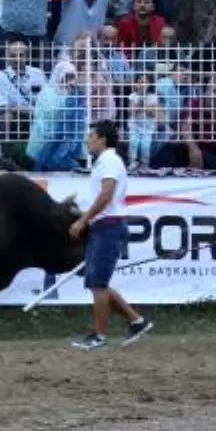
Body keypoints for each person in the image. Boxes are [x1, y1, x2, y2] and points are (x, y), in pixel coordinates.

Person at [68, 119, 154, 350]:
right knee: (99, 283)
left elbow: (106, 195)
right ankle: (137, 321)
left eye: (91, 136)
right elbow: (104, 196)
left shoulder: (109, 161)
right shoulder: (106, 162)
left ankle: (99, 335)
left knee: (98, 284)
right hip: (103, 226)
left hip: (108, 226)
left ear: (102, 138)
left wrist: (83, 219)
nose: (88, 140)